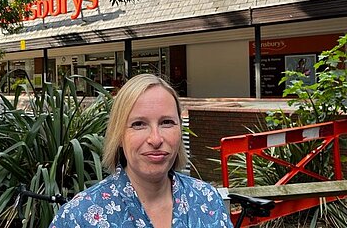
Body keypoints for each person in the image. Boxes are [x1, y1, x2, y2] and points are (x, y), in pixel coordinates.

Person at [49, 74, 233, 228]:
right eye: (139, 124)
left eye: (166, 122)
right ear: (119, 135)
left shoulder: (207, 200)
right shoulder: (78, 217)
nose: (156, 139)